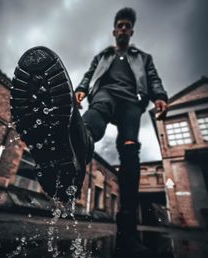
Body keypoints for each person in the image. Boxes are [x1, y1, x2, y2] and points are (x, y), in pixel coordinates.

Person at [10, 7, 168, 258]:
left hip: (131, 102)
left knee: (129, 150)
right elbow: (89, 75)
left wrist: (159, 96)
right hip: (104, 96)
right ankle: (74, 153)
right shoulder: (103, 55)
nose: (123, 29)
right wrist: (81, 89)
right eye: (120, 25)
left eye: (128, 26)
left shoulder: (143, 57)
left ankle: (127, 234)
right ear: (114, 30)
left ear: (131, 31)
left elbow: (152, 77)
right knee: (88, 125)